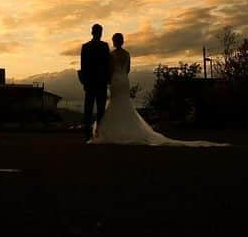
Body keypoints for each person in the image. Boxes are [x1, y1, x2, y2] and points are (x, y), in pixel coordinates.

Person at [92, 33, 227, 147]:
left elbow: (110, 70)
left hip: (116, 80)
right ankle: (128, 130)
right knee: (124, 104)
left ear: (114, 42)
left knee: (115, 103)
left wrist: (111, 79)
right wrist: (122, 76)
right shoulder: (127, 54)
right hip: (124, 81)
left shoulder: (111, 55)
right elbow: (127, 69)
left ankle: (115, 131)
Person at [79, 23, 110, 141]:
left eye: (99, 32)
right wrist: (85, 82)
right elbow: (83, 66)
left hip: (99, 83)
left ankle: (97, 132)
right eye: (97, 31)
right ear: (93, 32)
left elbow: (107, 64)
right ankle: (88, 133)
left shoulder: (103, 46)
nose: (98, 34)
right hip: (92, 83)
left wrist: (107, 80)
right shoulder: (86, 47)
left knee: (99, 109)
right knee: (90, 109)